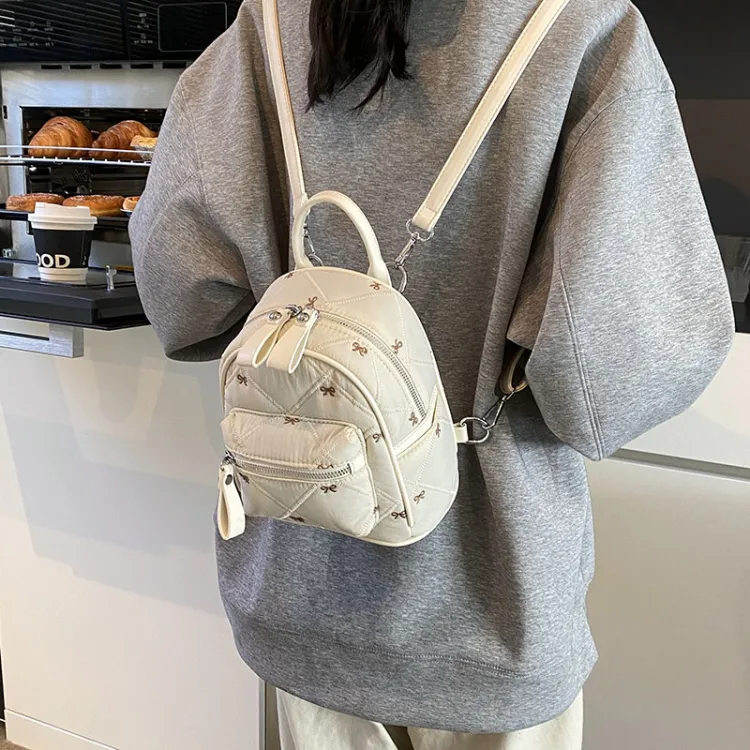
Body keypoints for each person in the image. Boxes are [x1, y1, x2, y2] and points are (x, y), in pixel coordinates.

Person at [130, 0, 735, 747]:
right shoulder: (583, 25)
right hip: (490, 607)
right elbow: (621, 374)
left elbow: (180, 294)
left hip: (299, 585)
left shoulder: (265, 26)